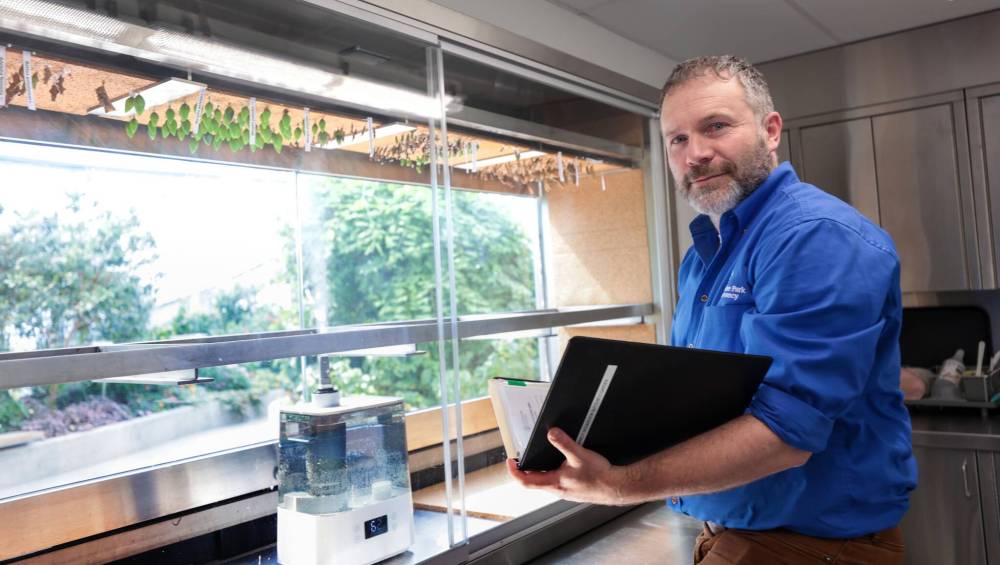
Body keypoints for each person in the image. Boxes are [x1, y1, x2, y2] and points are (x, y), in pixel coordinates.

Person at [507, 55, 917, 564]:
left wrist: (620, 484)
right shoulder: (705, 255)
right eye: (677, 139)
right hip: (729, 533)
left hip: (810, 547)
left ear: (770, 131)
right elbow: (699, 400)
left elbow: (787, 434)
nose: (695, 154)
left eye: (716, 126)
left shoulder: (814, 236)